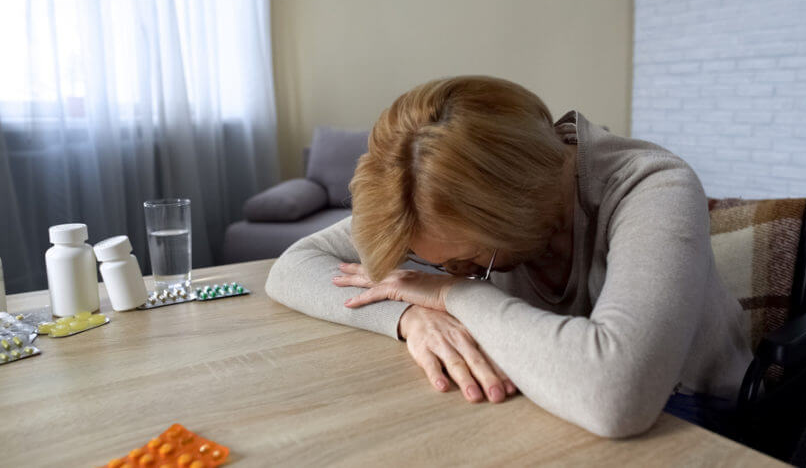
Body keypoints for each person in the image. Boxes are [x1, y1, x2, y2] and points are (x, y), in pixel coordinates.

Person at [265, 75, 753, 438]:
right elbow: (291, 267)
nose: (460, 274)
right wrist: (409, 315)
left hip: (689, 412)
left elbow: (617, 395)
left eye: (475, 264)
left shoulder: (654, 185)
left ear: (521, 210)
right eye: (439, 264)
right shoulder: (431, 189)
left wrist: (450, 293)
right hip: (549, 389)